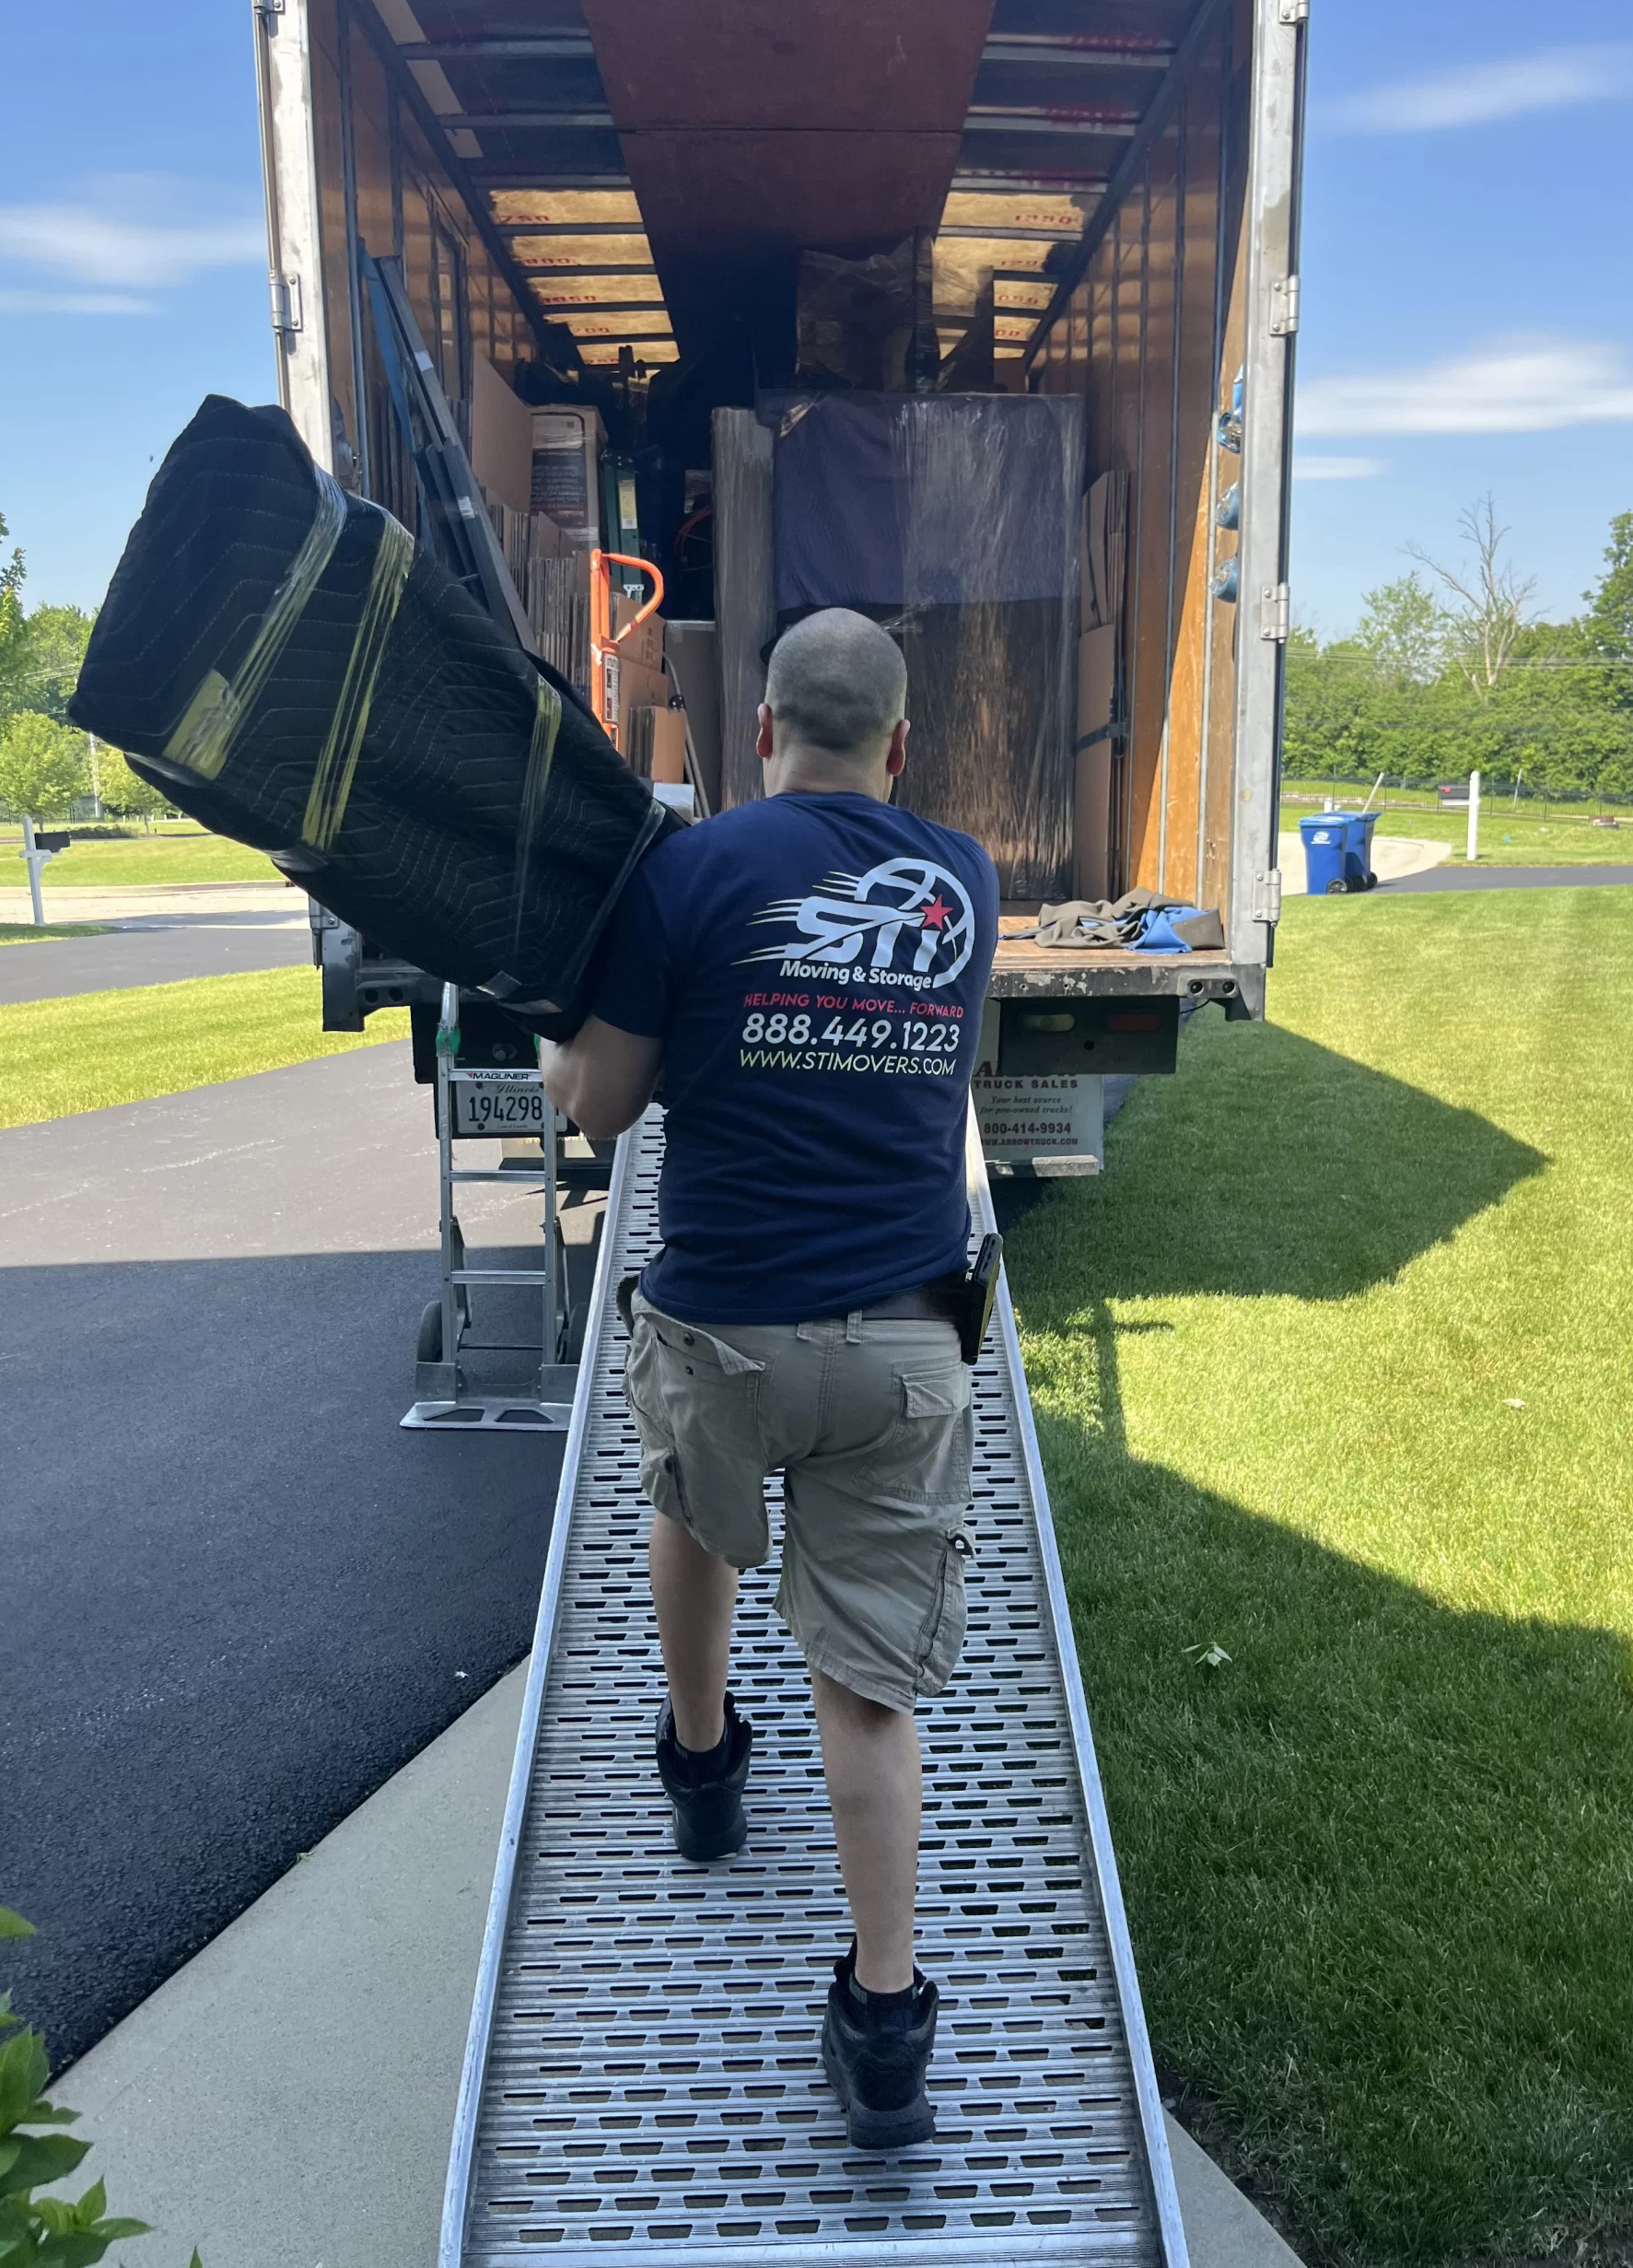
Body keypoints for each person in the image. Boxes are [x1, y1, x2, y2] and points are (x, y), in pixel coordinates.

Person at [541, 606, 999, 2150]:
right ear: (902, 744)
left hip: (729, 1325)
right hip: (910, 1339)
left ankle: (698, 1760)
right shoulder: (968, 881)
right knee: (869, 1699)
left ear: (759, 730)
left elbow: (602, 1113)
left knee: (692, 1502)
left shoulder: (688, 872)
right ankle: (883, 2024)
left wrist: (567, 1036)